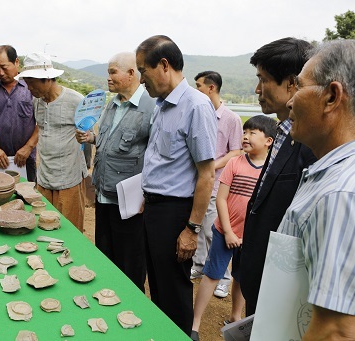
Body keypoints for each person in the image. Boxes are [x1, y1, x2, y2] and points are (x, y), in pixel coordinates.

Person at [277, 39, 355, 340]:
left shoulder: (342, 194)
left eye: (299, 86)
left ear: (332, 97)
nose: (289, 101)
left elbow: (334, 331)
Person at [136, 35, 217, 335]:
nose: (141, 78)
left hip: (176, 214)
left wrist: (191, 228)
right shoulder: (161, 104)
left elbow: (206, 174)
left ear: (164, 65)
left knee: (174, 291)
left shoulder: (196, 106)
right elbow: (163, 160)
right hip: (155, 208)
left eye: (143, 71)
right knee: (157, 285)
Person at [239, 37, 317, 315]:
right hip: (259, 277)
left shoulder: (311, 148)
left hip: (280, 290)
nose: (258, 90)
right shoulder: (282, 133)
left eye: (264, 79)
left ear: (293, 84)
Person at [191, 115, 276, 340]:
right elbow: (221, 199)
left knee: (241, 277)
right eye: (244, 132)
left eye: (252, 133)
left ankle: (236, 318)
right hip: (224, 231)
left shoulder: (271, 169)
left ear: (269, 141)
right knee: (211, 275)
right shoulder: (235, 163)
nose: (245, 136)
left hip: (250, 237)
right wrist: (228, 231)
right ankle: (195, 323)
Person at [76, 52, 155, 291]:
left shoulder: (150, 107)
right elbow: (113, 141)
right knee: (105, 256)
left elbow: (156, 155)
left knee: (130, 262)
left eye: (112, 72)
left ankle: (132, 309)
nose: (108, 77)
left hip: (130, 202)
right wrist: (92, 138)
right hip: (104, 194)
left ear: (132, 73)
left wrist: (147, 195)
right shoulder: (113, 103)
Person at [18, 52, 88, 231]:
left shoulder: (76, 101)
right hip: (44, 178)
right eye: (27, 84)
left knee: (70, 231)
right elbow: (40, 129)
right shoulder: (37, 102)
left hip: (69, 179)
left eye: (32, 84)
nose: (29, 89)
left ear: (48, 79)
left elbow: (87, 137)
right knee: (44, 226)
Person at [191, 71, 243, 299]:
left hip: (216, 182)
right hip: (197, 182)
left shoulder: (231, 118)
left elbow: (236, 151)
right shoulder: (198, 113)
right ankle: (200, 265)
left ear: (211, 88)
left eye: (199, 85)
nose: (196, 89)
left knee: (215, 231)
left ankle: (224, 278)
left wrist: (212, 166)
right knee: (199, 226)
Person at [0, 45, 38, 181]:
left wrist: (28, 147)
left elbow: (42, 121)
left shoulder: (31, 88)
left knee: (27, 195)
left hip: (26, 158)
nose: (1, 72)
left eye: (4, 67)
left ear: (16, 62)